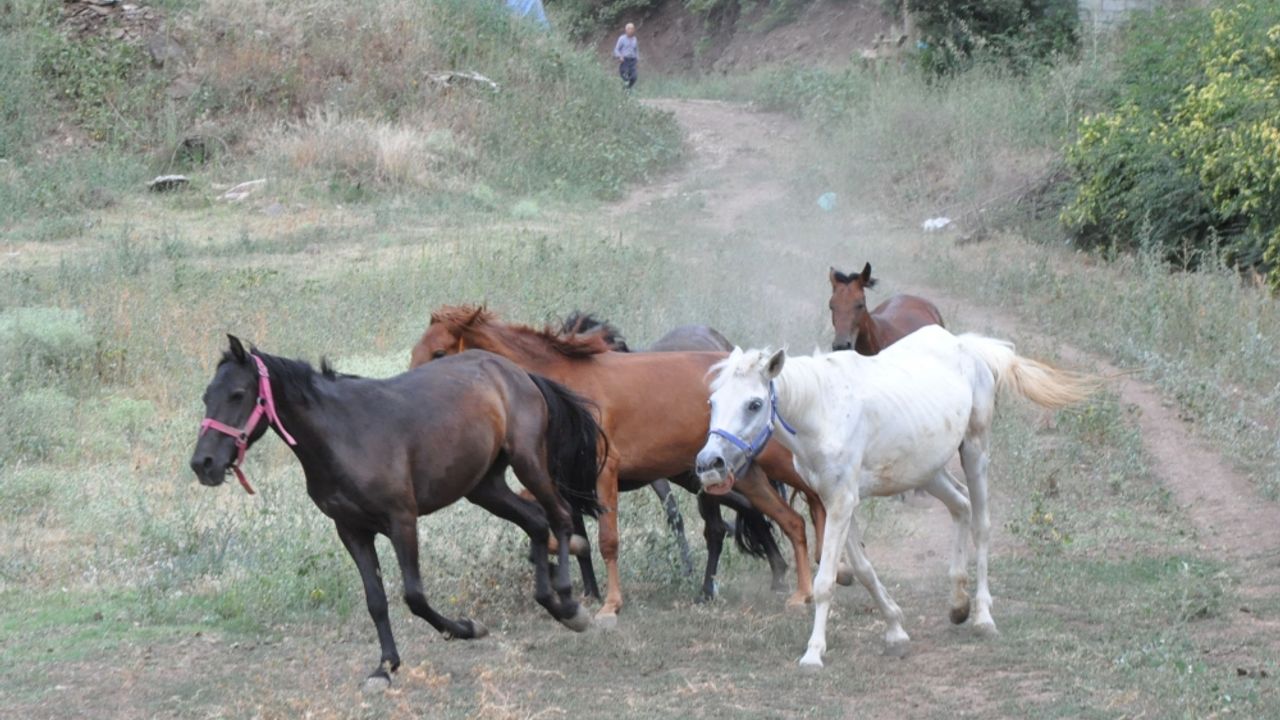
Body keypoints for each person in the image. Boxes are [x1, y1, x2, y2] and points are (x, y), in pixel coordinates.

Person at [614, 23, 638, 90]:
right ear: (626, 30)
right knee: (625, 77)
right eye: (629, 29)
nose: (631, 30)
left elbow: (636, 49)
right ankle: (625, 90)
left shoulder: (635, 39)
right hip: (624, 60)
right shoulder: (622, 39)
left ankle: (627, 89)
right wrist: (620, 56)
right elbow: (616, 49)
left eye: (632, 29)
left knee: (634, 77)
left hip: (632, 60)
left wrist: (637, 58)